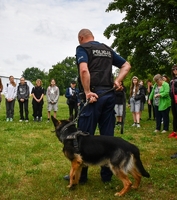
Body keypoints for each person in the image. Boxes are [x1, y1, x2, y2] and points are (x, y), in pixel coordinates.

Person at [63, 28, 131, 184]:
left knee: (83, 138)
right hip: (109, 96)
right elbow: (126, 65)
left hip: (93, 97)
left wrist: (87, 91)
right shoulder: (107, 49)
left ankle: (82, 177)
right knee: (108, 137)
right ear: (92, 37)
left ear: (81, 38)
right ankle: (107, 176)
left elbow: (84, 69)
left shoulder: (83, 48)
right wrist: (118, 81)